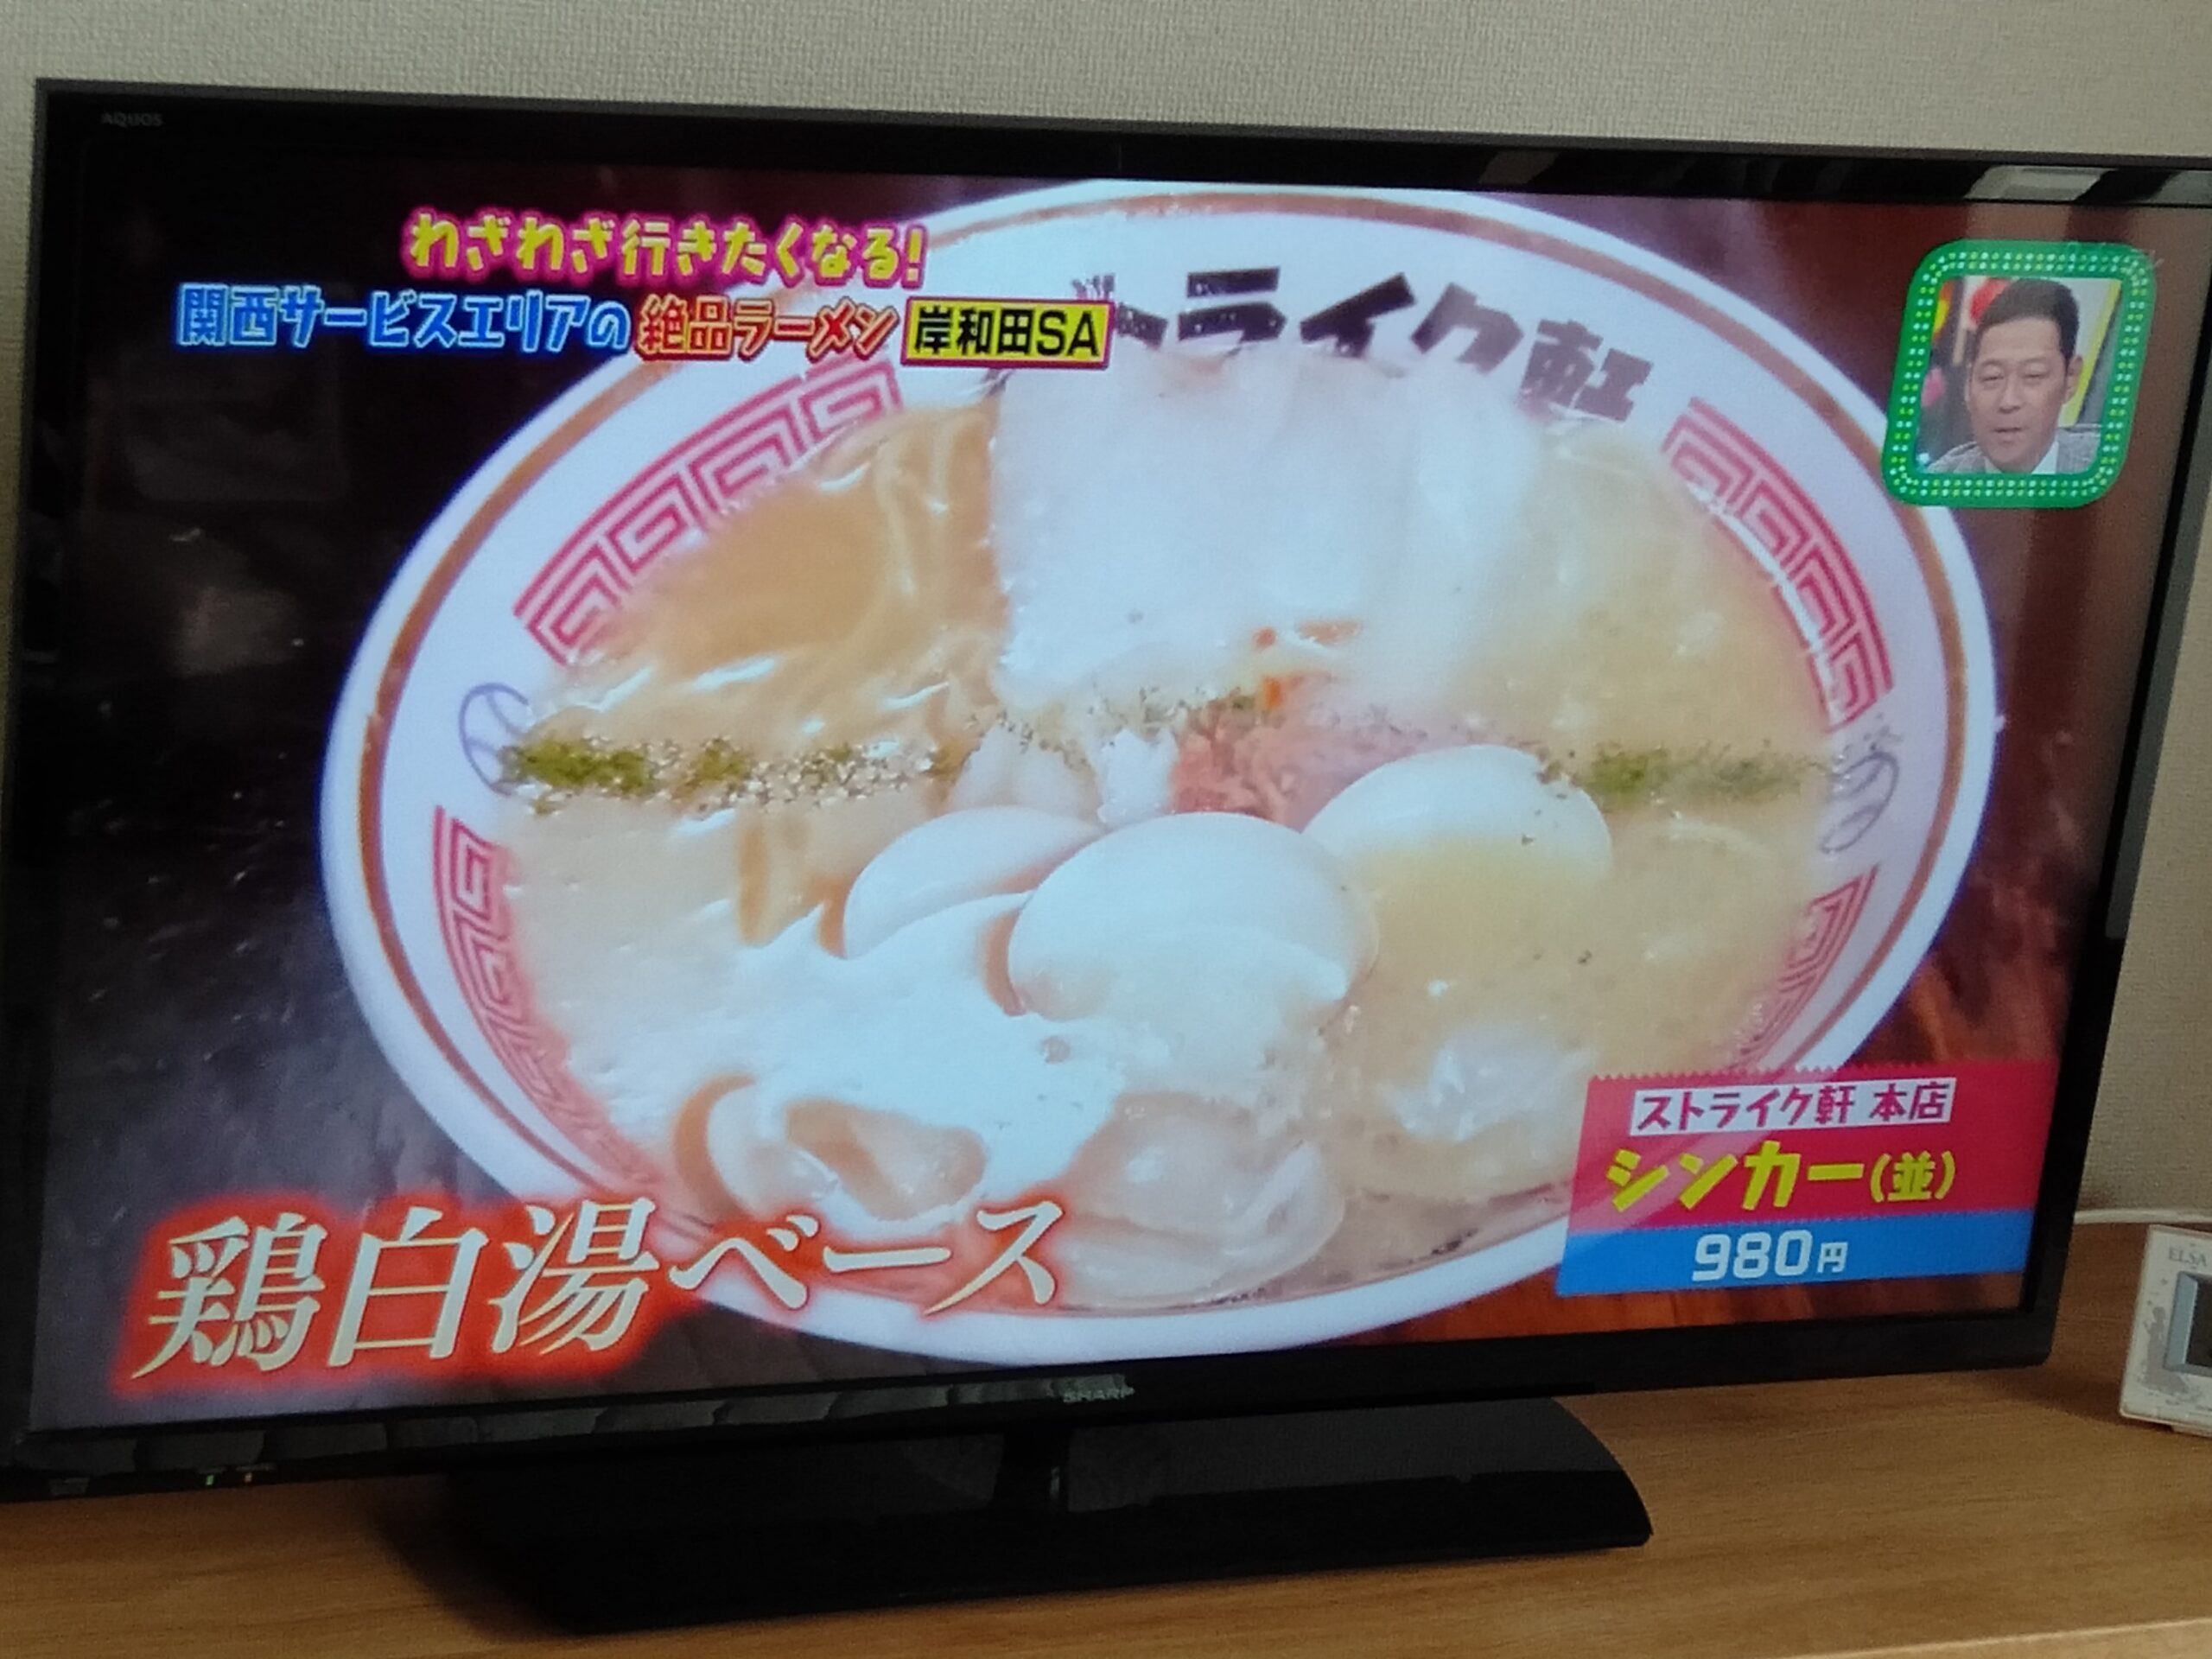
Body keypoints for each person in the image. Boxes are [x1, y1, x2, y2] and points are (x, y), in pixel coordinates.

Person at [1928, 278, 2099, 474]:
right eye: (1992, 377)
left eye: (2033, 375)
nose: (2008, 401)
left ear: (2070, 378)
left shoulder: (2107, 463)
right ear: (1969, 384)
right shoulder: (1936, 482)